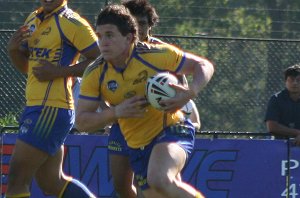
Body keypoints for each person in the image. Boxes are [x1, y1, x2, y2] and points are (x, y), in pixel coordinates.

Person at [76, 4, 213, 198]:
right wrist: (115, 113)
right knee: (155, 190)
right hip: (137, 145)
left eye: (109, 35)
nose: (103, 42)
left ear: (130, 37)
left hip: (172, 129)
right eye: (99, 36)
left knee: (160, 179)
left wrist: (192, 90)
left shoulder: (154, 55)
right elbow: (81, 121)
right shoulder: (95, 72)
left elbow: (203, 64)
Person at [5, 0, 100, 197]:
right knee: (52, 183)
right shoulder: (33, 18)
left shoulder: (72, 22)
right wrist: (13, 51)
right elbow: (28, 68)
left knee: (16, 178)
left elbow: (100, 60)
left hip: (51, 109)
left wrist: (59, 72)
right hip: (36, 107)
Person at [107, 1, 201, 197]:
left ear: (151, 24)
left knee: (158, 183)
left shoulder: (161, 51)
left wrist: (184, 103)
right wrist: (110, 113)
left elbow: (180, 88)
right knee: (121, 186)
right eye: (133, 22)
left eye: (142, 23)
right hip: (123, 125)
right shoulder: (114, 53)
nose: (138, 27)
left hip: (158, 125)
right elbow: (100, 88)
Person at [265, 64, 300, 145]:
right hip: (280, 146)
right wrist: (297, 133)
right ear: (285, 81)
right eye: (291, 80)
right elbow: (272, 127)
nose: (294, 83)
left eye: (298, 80)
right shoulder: (276, 99)